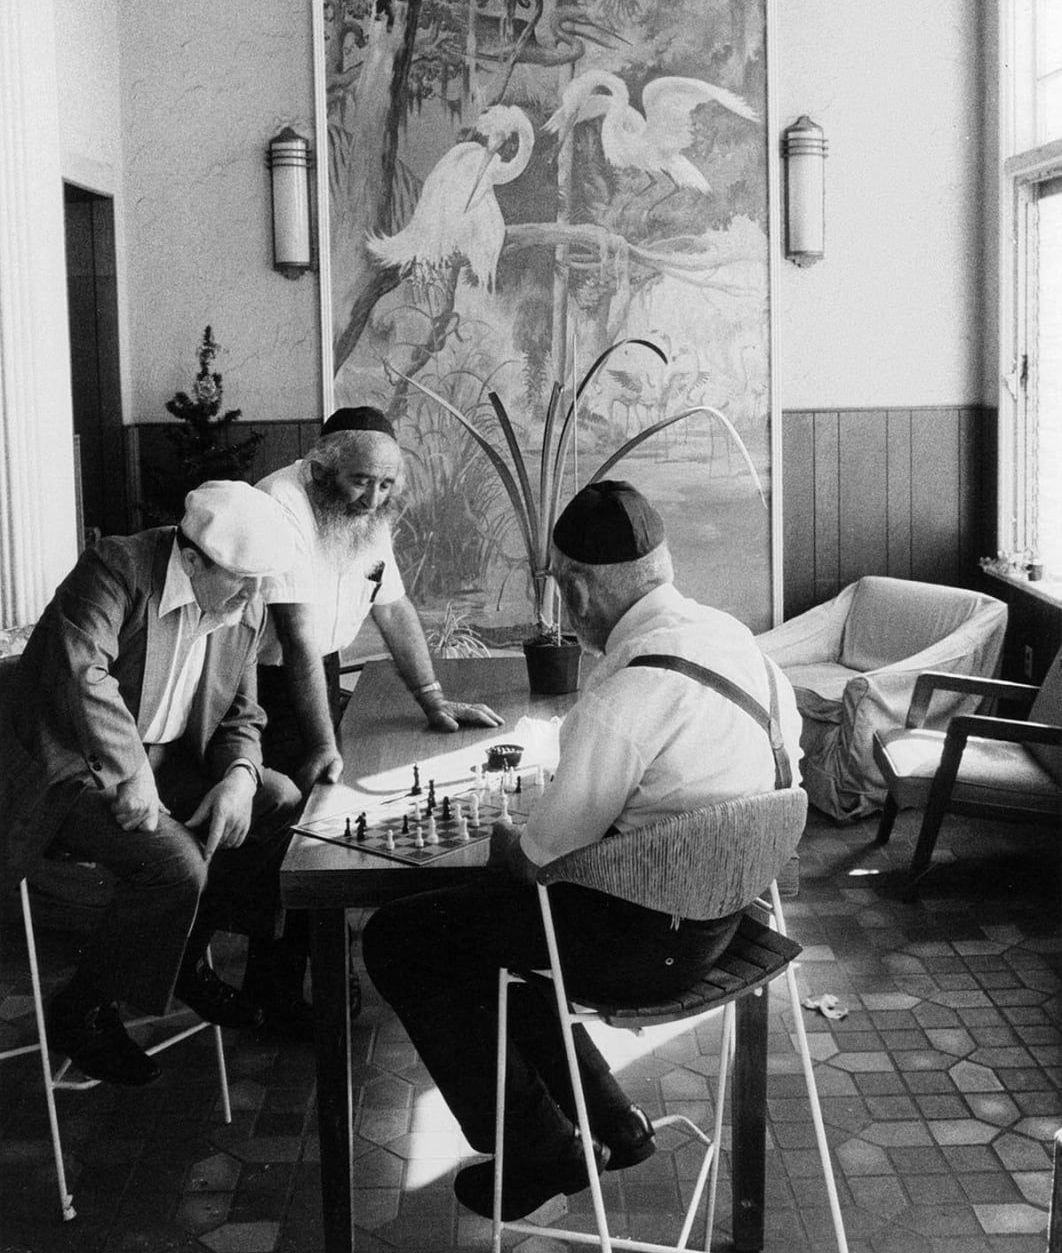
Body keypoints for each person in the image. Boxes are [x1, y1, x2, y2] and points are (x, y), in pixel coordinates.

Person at [362, 479, 802, 1221]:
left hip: (640, 948)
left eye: (565, 591)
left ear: (580, 588)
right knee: (486, 944)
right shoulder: (733, 639)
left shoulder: (627, 692)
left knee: (404, 938)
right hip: (727, 920)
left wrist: (504, 828)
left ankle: (542, 1148)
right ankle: (613, 1125)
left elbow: (538, 859)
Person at [0, 481, 305, 1086]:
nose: (252, 596)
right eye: (241, 579)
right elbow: (81, 670)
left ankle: (185, 957)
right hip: (70, 767)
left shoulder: (245, 597)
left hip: (166, 763)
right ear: (191, 558)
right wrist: (131, 769)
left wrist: (241, 776)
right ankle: (82, 1006)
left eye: (260, 581)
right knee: (177, 866)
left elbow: (241, 714)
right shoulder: (117, 566)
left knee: (278, 800)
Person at [244, 405, 502, 1025]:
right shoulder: (282, 503)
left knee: (316, 823)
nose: (374, 496)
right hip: (256, 680)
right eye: (362, 481)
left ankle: (316, 977)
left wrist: (433, 695)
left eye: (387, 484)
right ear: (320, 468)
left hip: (312, 668)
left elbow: (394, 607)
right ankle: (272, 996)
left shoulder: (366, 513)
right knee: (293, 832)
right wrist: (323, 742)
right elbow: (298, 640)